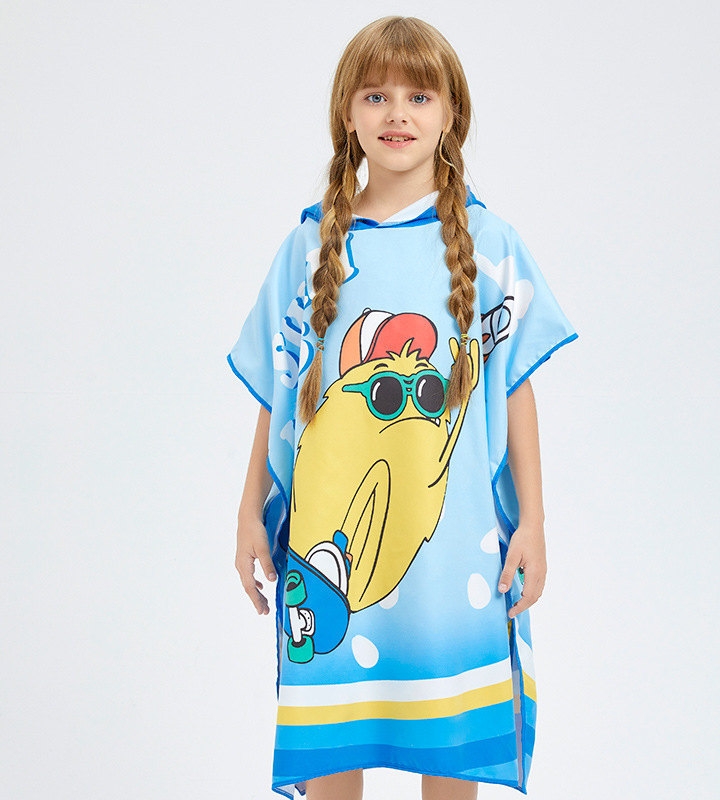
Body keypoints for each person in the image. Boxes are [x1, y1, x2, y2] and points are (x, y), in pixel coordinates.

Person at [228, 15, 578, 800]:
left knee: (448, 744)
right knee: (332, 737)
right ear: (346, 113)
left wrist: (533, 522)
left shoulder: (489, 245)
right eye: (376, 95)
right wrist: (250, 510)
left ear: (451, 114)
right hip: (326, 542)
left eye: (420, 96)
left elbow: (513, 389)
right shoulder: (309, 248)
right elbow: (279, 394)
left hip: (454, 552)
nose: (397, 114)